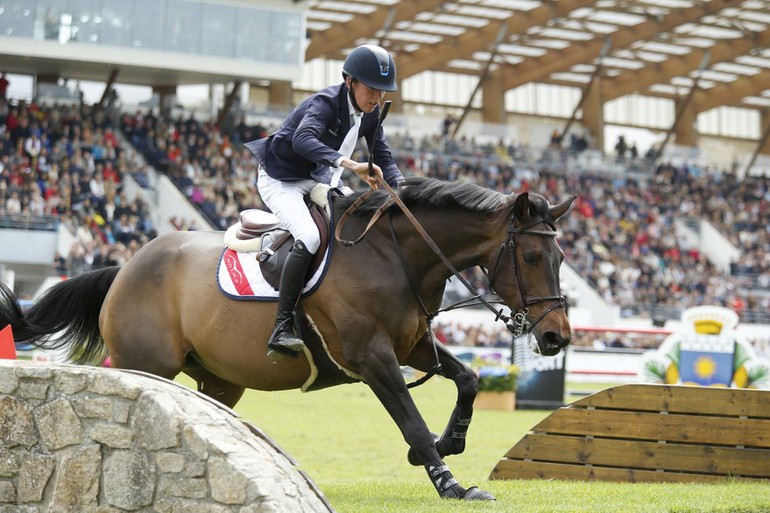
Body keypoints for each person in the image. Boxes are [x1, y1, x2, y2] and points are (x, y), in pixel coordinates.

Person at [245, 44, 404, 357]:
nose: (377, 98)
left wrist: (402, 187)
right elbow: (302, 140)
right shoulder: (325, 102)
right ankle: (283, 324)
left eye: (383, 92)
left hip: (320, 178)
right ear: (350, 83)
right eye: (372, 89)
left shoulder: (371, 113)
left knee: (356, 225)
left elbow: (382, 154)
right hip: (282, 179)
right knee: (309, 235)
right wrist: (350, 165)